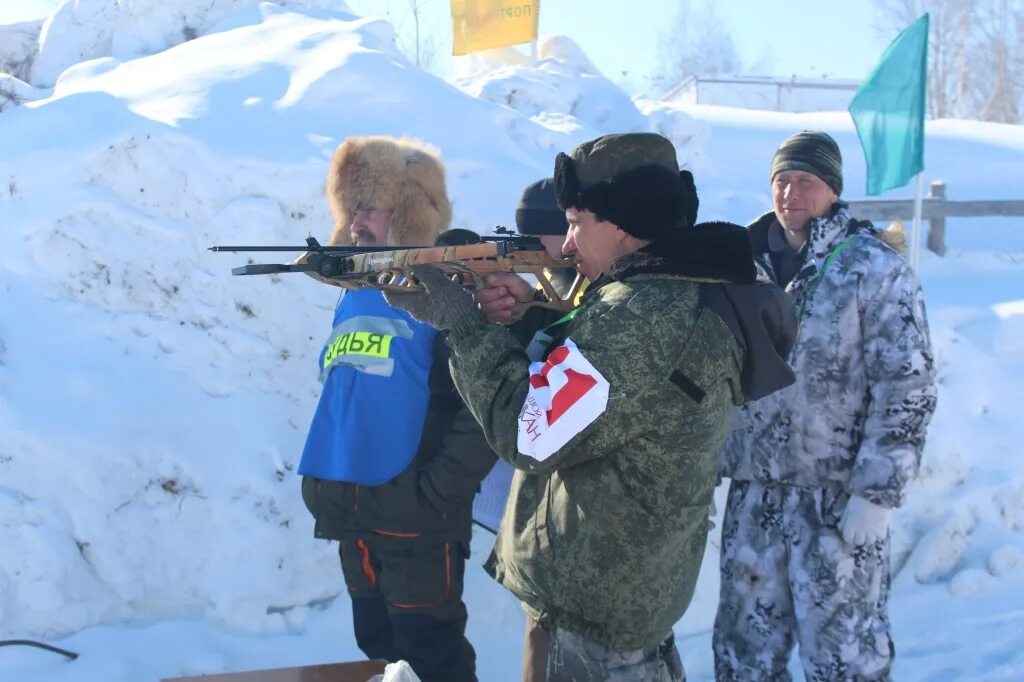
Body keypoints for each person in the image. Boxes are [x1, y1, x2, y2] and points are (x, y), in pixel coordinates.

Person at [384, 132, 796, 681]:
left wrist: (462, 323)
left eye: (578, 221)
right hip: (615, 592)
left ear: (624, 223)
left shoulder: (642, 319)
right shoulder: (663, 288)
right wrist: (524, 303)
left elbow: (530, 431)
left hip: (596, 616)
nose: (569, 243)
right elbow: (597, 379)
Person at [713, 130, 938, 681]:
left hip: (836, 504)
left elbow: (907, 385)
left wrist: (877, 493)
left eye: (806, 181)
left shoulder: (873, 269)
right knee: (745, 655)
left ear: (832, 190)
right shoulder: (736, 266)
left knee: (844, 657)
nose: (791, 193)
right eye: (782, 181)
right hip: (754, 494)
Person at [298, 135, 495, 682]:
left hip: (415, 520)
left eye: (371, 208)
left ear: (407, 215)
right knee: (380, 651)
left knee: (432, 657)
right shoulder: (355, 290)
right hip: (353, 511)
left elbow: (479, 410)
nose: (356, 223)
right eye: (351, 208)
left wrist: (432, 495)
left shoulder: (447, 293)